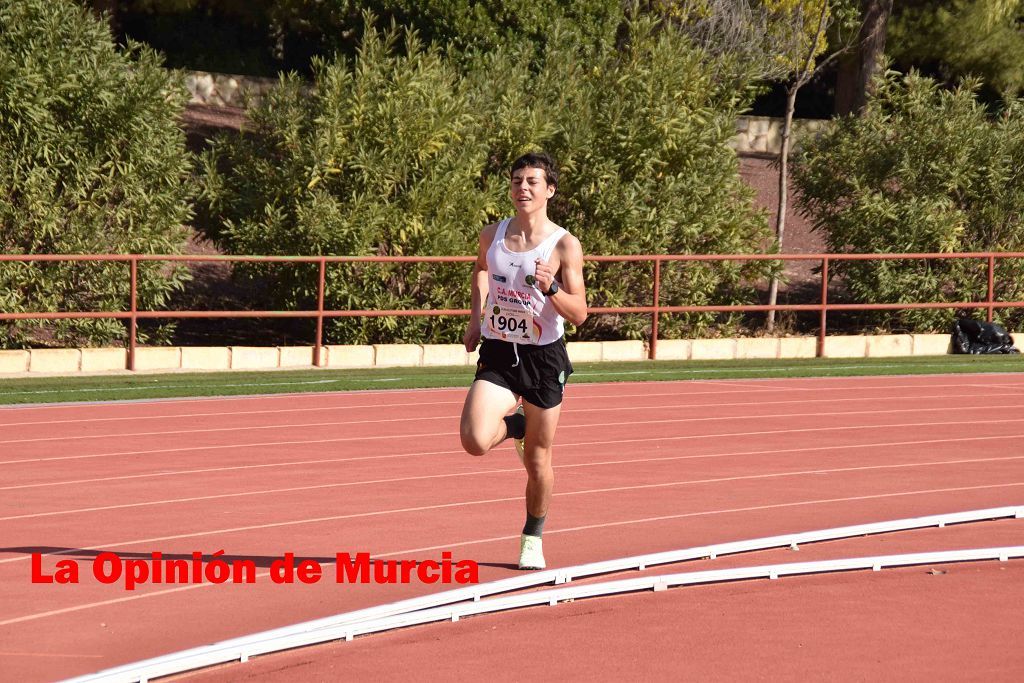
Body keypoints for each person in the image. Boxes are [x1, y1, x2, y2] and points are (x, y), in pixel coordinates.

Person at [460, 151, 588, 570]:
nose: (523, 188)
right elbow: (481, 270)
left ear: (549, 190)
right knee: (475, 440)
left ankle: (532, 536)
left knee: (538, 460)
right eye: (517, 181)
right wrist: (476, 319)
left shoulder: (564, 245)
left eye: (532, 181)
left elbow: (580, 313)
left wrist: (551, 290)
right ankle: (517, 425)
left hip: (544, 359)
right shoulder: (491, 235)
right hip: (499, 350)